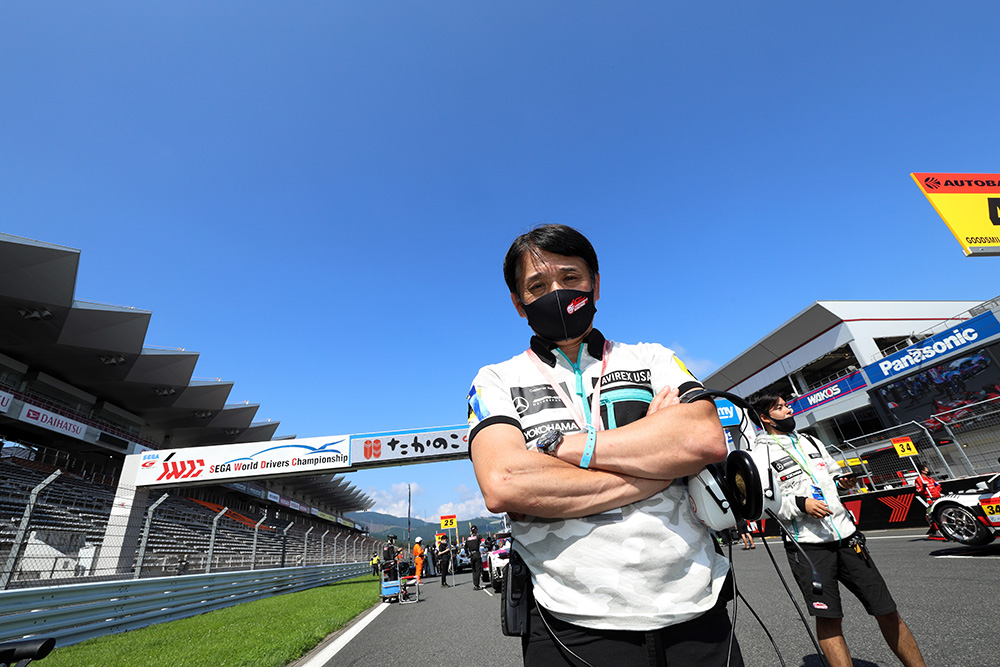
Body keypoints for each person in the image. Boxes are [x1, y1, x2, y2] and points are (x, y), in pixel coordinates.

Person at [467, 224, 740, 667]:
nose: (557, 293)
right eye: (537, 286)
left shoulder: (652, 357)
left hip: (696, 607)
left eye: (570, 278)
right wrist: (658, 466)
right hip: (569, 621)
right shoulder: (495, 379)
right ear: (519, 304)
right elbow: (505, 481)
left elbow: (703, 437)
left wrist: (565, 449)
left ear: (595, 285)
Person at [749, 392, 926, 667]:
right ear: (765, 418)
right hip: (808, 546)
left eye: (787, 405)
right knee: (830, 619)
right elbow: (762, 504)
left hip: (847, 537)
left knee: (886, 609)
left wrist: (841, 482)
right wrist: (801, 504)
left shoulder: (811, 441)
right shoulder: (758, 455)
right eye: (780, 408)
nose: (789, 410)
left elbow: (832, 474)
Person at [914, 465, 942, 537]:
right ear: (922, 471)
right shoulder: (919, 479)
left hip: (938, 497)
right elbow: (919, 490)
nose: (928, 470)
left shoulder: (930, 479)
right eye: (927, 469)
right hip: (930, 499)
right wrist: (923, 488)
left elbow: (938, 485)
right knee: (932, 515)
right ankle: (935, 531)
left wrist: (936, 491)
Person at [465, 525, 484, 590]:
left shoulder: (468, 538)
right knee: (478, 569)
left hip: (471, 555)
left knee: (474, 570)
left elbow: (465, 547)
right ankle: (477, 585)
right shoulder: (478, 536)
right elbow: (483, 541)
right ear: (475, 530)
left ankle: (475, 584)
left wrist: (467, 554)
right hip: (476, 553)